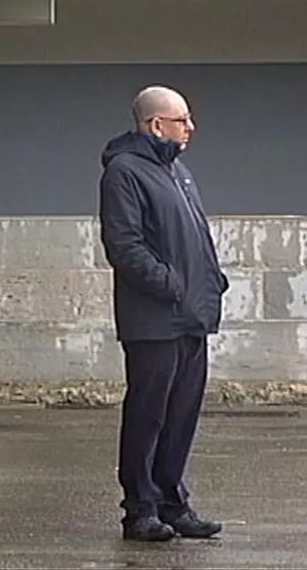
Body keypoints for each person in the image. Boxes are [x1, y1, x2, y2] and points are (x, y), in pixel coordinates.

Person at [98, 85, 229, 542]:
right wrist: (171, 285)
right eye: (182, 120)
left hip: (191, 315)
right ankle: (140, 509)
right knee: (149, 415)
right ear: (157, 125)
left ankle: (173, 503)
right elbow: (125, 246)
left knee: (181, 417)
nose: (191, 128)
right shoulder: (125, 172)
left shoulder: (177, 171)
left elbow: (196, 238)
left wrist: (211, 282)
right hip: (154, 320)